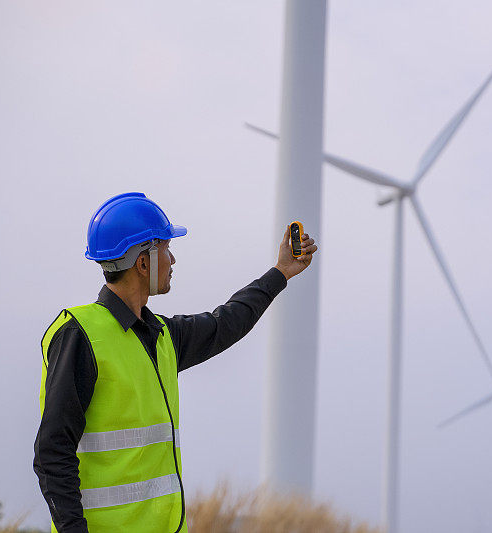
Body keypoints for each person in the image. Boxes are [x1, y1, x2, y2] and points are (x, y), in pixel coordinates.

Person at [33, 192, 317, 533]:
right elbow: (52, 452)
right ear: (143, 263)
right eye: (167, 248)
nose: (173, 260)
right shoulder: (80, 335)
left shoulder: (162, 336)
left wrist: (281, 272)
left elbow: (226, 322)